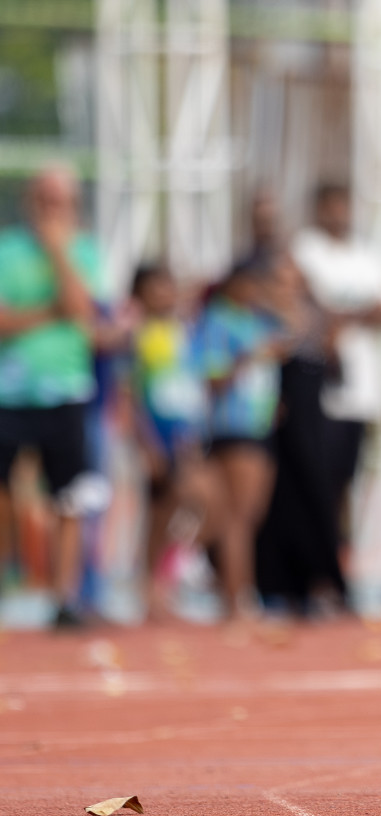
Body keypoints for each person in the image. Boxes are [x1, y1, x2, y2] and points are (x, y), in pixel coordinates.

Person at [0, 166, 109, 628]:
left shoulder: (83, 250)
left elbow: (84, 311)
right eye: (43, 199)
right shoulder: (6, 250)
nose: (50, 209)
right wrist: (52, 312)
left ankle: (65, 599)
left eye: (59, 200)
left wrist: (59, 252)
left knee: (69, 498)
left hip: (66, 391)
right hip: (10, 392)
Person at [290, 181, 381, 544]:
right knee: (314, 477)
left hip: (362, 386)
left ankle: (337, 556)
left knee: (346, 476)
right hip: (318, 382)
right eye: (332, 205)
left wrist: (344, 315)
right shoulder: (306, 249)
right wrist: (358, 312)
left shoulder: (369, 255)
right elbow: (308, 303)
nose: (339, 213)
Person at [254, 254, 347, 617]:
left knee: (316, 495)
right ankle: (278, 586)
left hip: (310, 417)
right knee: (278, 500)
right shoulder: (260, 316)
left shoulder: (314, 315)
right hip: (274, 416)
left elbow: (330, 361)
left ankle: (322, 581)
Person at [198, 256, 283, 622]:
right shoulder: (218, 321)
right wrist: (249, 359)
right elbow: (212, 377)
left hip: (259, 425)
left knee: (248, 517)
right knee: (237, 518)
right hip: (234, 427)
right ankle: (236, 598)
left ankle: (237, 593)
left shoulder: (258, 321)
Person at [127, 263, 210, 620]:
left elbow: (187, 385)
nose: (166, 294)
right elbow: (129, 392)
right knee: (160, 511)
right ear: (140, 296)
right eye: (156, 288)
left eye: (168, 286)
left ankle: (164, 580)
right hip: (155, 433)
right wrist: (146, 444)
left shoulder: (181, 331)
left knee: (194, 504)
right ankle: (151, 591)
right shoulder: (136, 334)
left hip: (183, 432)